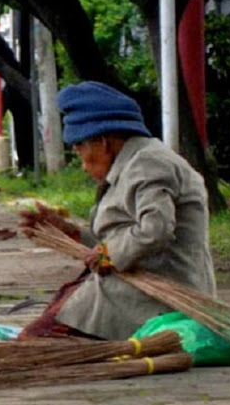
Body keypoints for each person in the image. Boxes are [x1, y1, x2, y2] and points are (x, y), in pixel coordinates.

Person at [18, 81, 216, 340]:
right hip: (134, 284)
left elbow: (155, 230)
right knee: (51, 320)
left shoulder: (148, 164)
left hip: (158, 295)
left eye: (80, 149)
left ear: (103, 142)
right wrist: (68, 232)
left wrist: (108, 254)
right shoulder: (135, 162)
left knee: (38, 338)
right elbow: (119, 239)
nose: (82, 164)